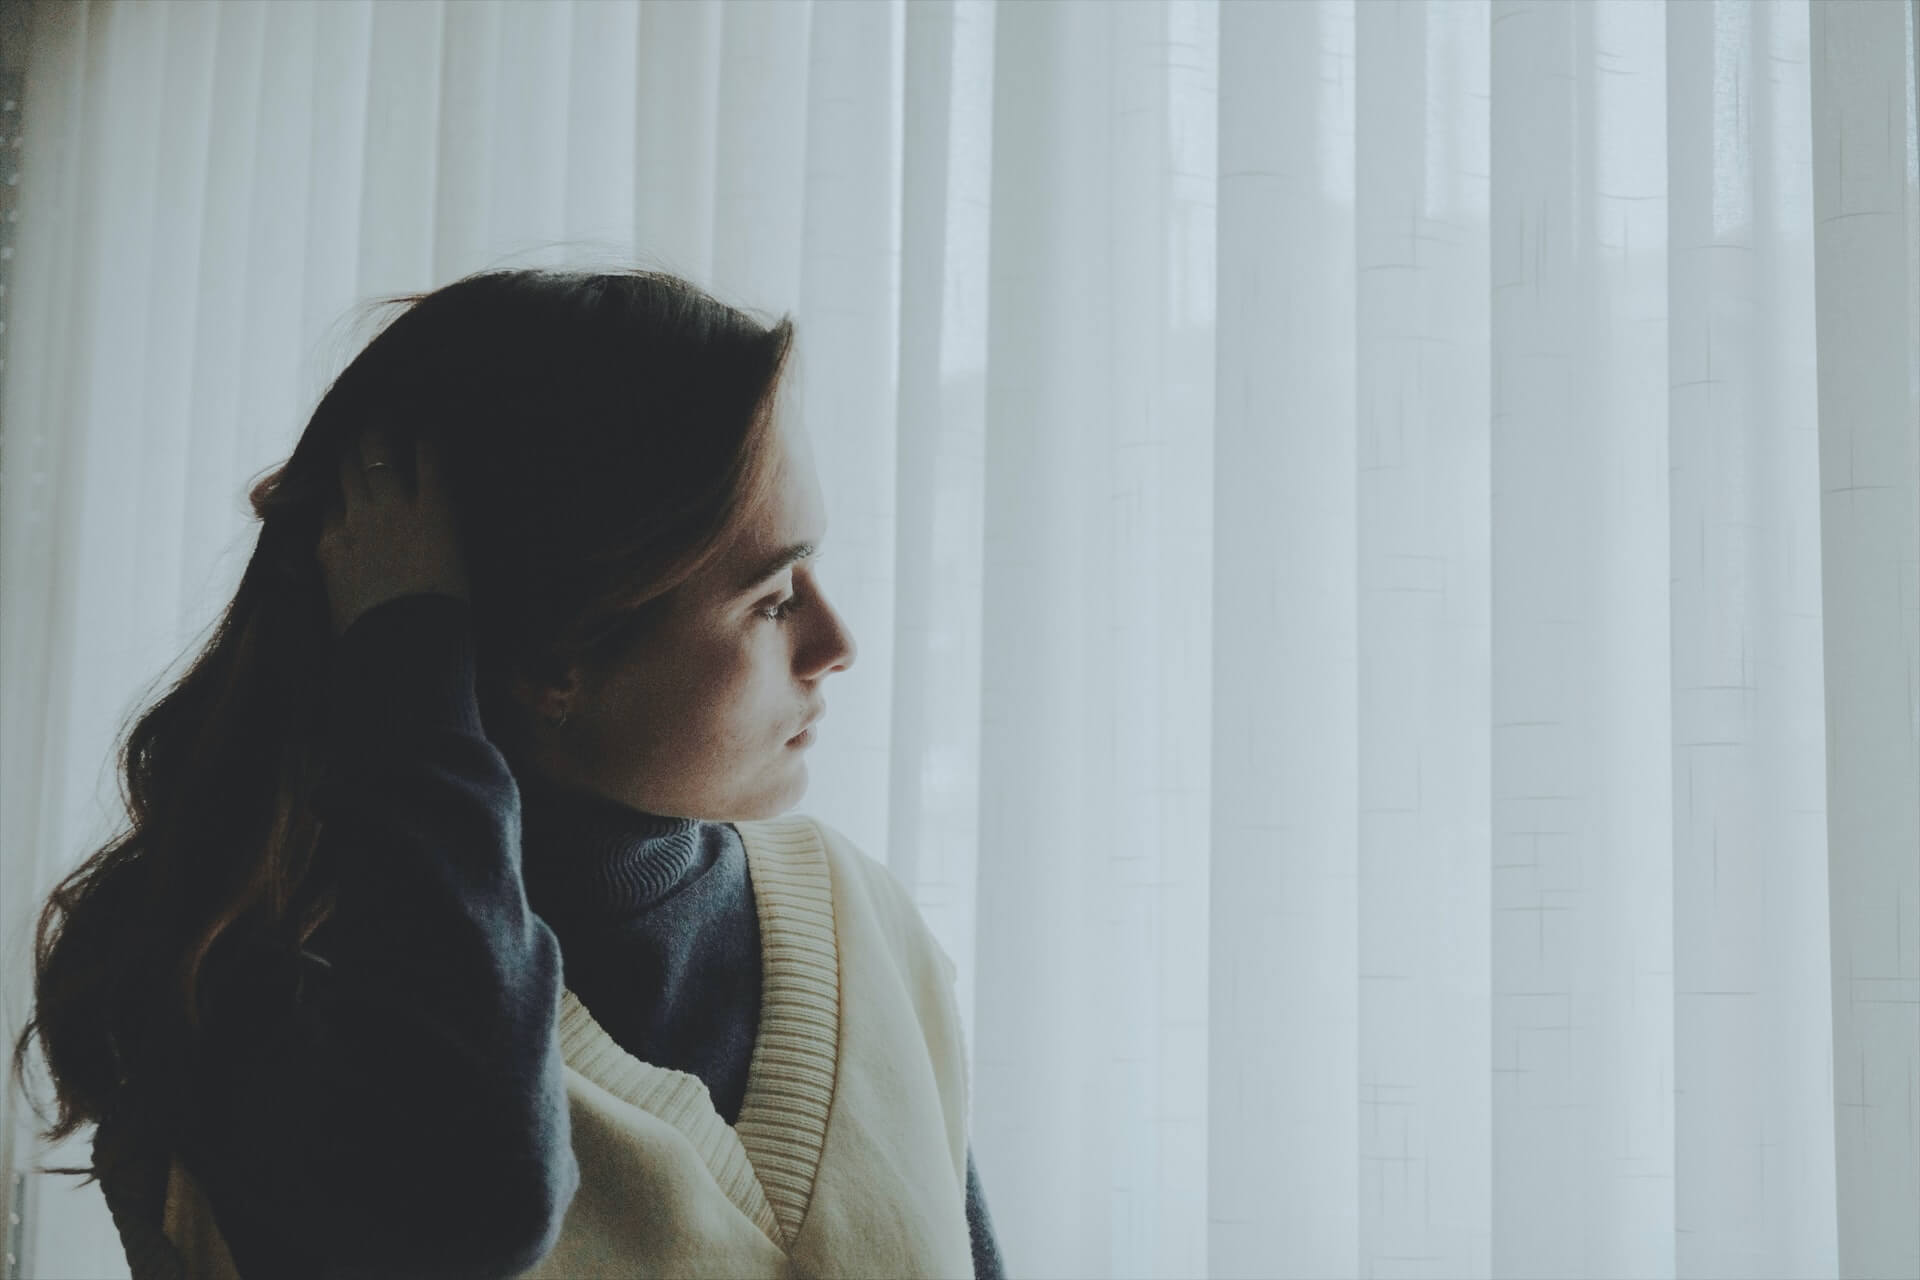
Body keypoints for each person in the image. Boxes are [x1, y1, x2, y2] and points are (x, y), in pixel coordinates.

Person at [9, 268, 1006, 1279]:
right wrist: (407, 661)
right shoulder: (271, 986)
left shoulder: (859, 919)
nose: (836, 640)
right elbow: (474, 1206)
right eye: (772, 595)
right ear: (552, 664)